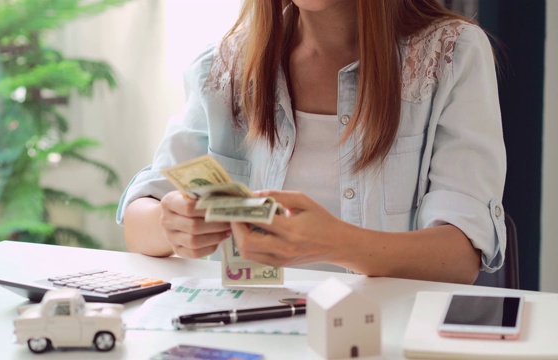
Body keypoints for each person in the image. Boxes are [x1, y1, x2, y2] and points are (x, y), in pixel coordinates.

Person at [116, 0, 507, 284]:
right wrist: (171, 224)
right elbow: (139, 219)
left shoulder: (451, 55)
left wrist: (335, 243)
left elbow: (459, 257)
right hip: (249, 330)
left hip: (380, 337)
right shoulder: (226, 65)